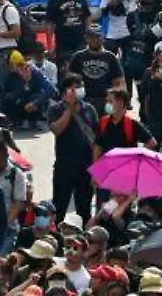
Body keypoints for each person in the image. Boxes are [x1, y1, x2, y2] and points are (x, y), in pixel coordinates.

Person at [48, 74, 97, 222]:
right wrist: (69, 108)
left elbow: (96, 139)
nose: (80, 90)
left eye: (81, 86)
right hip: (65, 165)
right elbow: (57, 129)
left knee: (84, 209)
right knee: (59, 208)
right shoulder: (55, 109)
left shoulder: (89, 109)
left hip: (86, 166)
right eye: (76, 87)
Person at [66, 25, 124, 115]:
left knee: (108, 127)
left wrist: (117, 103)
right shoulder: (78, 57)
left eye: (97, 36)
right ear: (86, 38)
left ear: (103, 38)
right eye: (91, 37)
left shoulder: (111, 57)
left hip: (105, 100)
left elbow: (118, 83)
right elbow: (69, 82)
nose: (94, 40)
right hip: (84, 100)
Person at [46, 0, 91, 65]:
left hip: (81, 43)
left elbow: (87, 17)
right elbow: (50, 25)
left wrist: (88, 37)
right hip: (63, 46)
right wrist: (50, 46)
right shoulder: (53, 1)